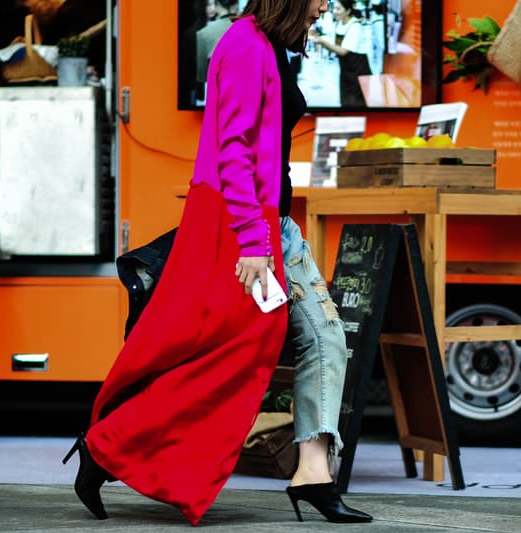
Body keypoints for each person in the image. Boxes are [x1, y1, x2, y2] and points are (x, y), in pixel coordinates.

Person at [62, 0, 371, 525]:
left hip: (271, 224)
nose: (325, 6)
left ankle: (314, 474)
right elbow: (232, 149)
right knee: (225, 363)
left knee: (324, 339)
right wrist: (253, 242)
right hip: (245, 231)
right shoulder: (248, 47)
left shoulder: (268, 44)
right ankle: (104, 447)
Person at [309, 0, 372, 107]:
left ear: (347, 11)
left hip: (358, 70)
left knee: (357, 102)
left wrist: (322, 42)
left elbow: (343, 51)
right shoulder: (338, 24)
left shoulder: (355, 26)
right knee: (346, 99)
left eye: (338, 9)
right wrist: (318, 38)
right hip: (346, 69)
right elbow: (332, 41)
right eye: (334, 8)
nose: (335, 12)